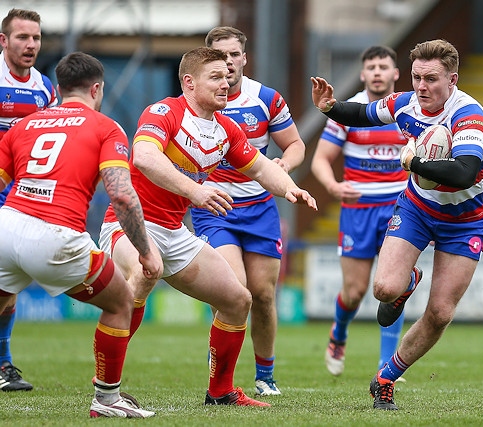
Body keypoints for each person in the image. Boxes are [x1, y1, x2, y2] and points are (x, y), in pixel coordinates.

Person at [98, 47, 317, 408]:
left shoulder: (226, 129)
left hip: (173, 232)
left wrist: (291, 188)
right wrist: (195, 191)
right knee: (142, 274)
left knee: (238, 300)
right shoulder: (164, 112)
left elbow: (262, 169)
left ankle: (221, 392)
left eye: (228, 76)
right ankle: (106, 393)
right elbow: (145, 158)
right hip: (130, 225)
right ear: (189, 82)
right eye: (215, 77)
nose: (226, 83)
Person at [311, 38, 483, 410]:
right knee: (383, 289)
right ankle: (408, 281)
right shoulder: (406, 103)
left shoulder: (469, 115)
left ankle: (386, 378)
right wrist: (330, 107)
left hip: (465, 221)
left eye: (432, 79)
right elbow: (362, 114)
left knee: (440, 313)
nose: (422, 86)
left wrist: (416, 164)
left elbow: (464, 172)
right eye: (416, 77)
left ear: (453, 79)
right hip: (418, 210)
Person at [0, 51, 163, 417]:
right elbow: (121, 194)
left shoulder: (23, 126)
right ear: (97, 88)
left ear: (57, 89)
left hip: (6, 228)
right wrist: (146, 251)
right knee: (120, 303)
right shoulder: (105, 127)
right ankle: (107, 399)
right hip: (56, 237)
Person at [190, 26, 306, 396]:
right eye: (220, 56)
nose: (228, 62)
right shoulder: (194, 102)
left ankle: (265, 374)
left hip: (259, 206)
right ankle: (222, 375)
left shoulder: (266, 99)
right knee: (233, 289)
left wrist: (284, 166)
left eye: (234, 55)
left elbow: (296, 145)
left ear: (244, 57)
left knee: (264, 294)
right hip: (214, 207)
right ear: (208, 60)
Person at [311, 45, 410, 378]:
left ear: (395, 73)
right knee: (354, 292)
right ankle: (338, 333)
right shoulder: (348, 110)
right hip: (358, 209)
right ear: (364, 74)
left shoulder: (408, 108)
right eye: (372, 67)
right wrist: (333, 186)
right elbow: (320, 160)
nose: (378, 72)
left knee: (392, 287)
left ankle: (386, 364)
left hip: (400, 207)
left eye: (384, 66)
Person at [0, 8, 57, 392]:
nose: (31, 45)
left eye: (35, 38)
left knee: (9, 283)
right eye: (22, 37)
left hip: (19, 195)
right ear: (3, 41)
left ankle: (4, 365)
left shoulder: (44, 88)